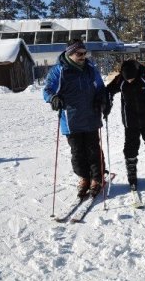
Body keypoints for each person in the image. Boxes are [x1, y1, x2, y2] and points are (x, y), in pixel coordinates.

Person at [43, 39, 107, 198]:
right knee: (78, 153)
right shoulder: (59, 71)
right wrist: (53, 98)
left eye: (85, 53)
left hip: (91, 116)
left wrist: (102, 99)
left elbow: (100, 88)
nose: (83, 56)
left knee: (93, 151)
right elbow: (47, 89)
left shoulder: (91, 69)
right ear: (70, 54)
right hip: (71, 120)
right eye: (80, 53)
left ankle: (97, 179)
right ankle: (84, 178)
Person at [105, 59, 145, 190]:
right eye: (127, 80)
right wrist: (107, 104)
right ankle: (132, 176)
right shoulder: (120, 79)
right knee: (130, 148)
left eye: (132, 79)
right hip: (130, 120)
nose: (129, 81)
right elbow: (108, 91)